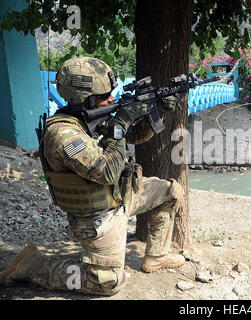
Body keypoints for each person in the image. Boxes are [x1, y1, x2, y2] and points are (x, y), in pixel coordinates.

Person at [0, 57, 185, 296]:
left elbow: (134, 136)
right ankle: (34, 264)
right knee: (107, 283)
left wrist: (158, 110)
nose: (111, 99)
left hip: (122, 195)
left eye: (111, 94)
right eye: (104, 96)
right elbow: (106, 171)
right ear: (82, 99)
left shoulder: (90, 116)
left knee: (170, 191)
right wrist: (122, 121)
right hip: (97, 215)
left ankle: (157, 255)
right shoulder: (63, 134)